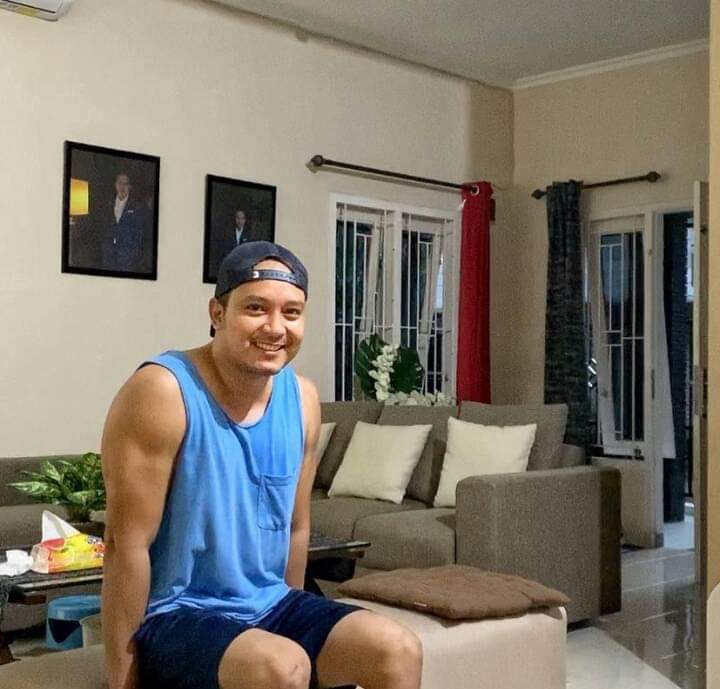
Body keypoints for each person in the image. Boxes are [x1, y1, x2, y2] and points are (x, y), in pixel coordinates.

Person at [101, 240, 423, 689]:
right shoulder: (162, 390)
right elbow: (125, 545)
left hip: (269, 604)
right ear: (217, 313)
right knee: (281, 666)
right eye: (256, 308)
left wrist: (291, 625)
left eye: (291, 312)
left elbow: (295, 527)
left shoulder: (303, 399)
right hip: (176, 613)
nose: (275, 328)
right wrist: (122, 681)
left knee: (397, 649)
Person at [101, 172, 149, 273]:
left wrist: (133, 255)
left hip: (127, 260)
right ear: (115, 185)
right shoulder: (107, 204)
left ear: (129, 187)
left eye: (125, 184)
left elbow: (139, 234)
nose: (122, 187)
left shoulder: (138, 206)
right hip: (108, 257)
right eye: (120, 183)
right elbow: (102, 228)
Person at [208, 208, 254, 280]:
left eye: (242, 218)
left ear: (245, 220)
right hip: (230, 265)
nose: (240, 221)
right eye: (238, 218)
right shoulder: (228, 233)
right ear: (235, 219)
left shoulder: (249, 235)